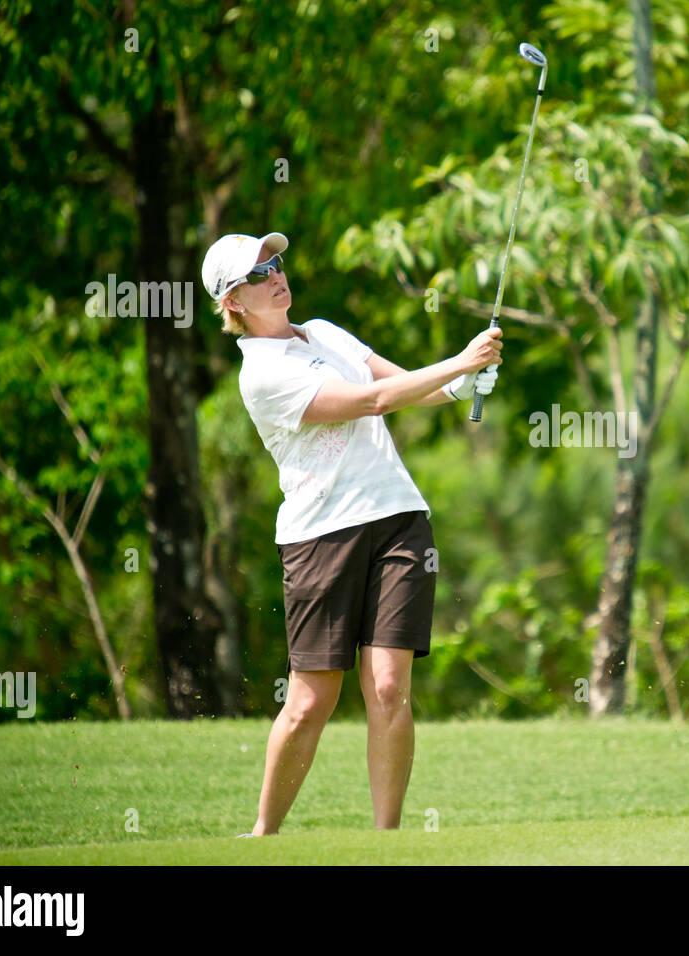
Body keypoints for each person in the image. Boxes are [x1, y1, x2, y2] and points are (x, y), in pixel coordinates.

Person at [201, 231, 502, 832]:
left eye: (277, 263)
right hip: (321, 538)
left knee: (389, 687)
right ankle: (265, 833)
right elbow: (373, 401)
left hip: (397, 520)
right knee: (312, 699)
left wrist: (463, 383)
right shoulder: (261, 374)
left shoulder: (326, 333)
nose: (277, 276)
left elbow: (410, 385)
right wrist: (461, 362)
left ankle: (386, 840)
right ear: (233, 300)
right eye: (259, 275)